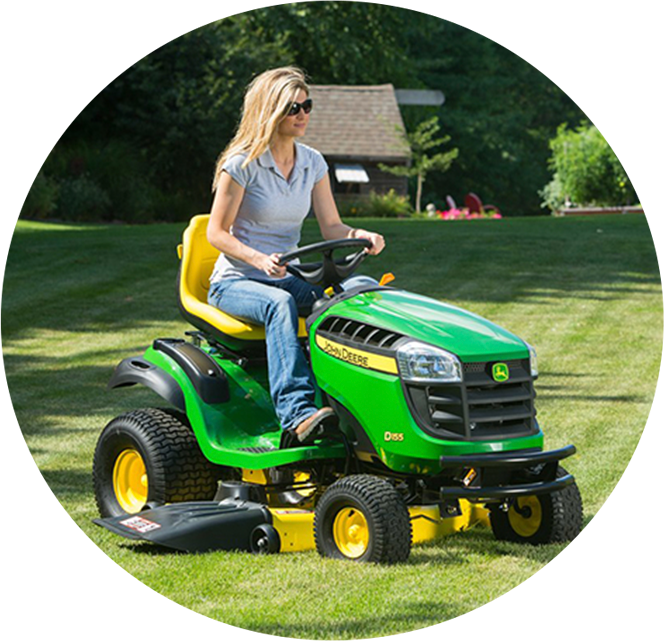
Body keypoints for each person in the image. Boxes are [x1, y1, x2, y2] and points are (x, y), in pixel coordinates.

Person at [206, 66, 385, 444]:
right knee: (279, 305)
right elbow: (216, 233)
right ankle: (297, 413)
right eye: (293, 107)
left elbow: (332, 228)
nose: (303, 114)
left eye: (308, 105)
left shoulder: (313, 163)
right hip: (237, 281)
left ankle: (351, 400)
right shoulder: (241, 164)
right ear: (270, 111)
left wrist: (360, 235)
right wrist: (258, 259)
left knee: (350, 298)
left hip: (286, 275)